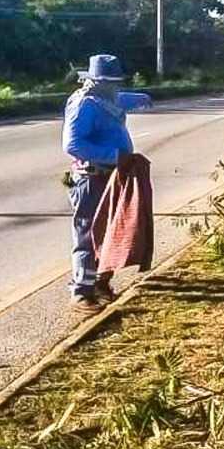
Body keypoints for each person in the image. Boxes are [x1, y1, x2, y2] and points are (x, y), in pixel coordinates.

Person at [62, 54, 152, 315]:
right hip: (91, 177)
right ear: (96, 81)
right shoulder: (84, 104)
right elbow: (72, 144)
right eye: (110, 82)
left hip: (111, 176)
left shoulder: (106, 98)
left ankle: (101, 282)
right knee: (89, 233)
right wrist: (114, 155)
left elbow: (123, 99)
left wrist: (143, 98)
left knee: (109, 232)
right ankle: (81, 291)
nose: (114, 86)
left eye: (116, 82)